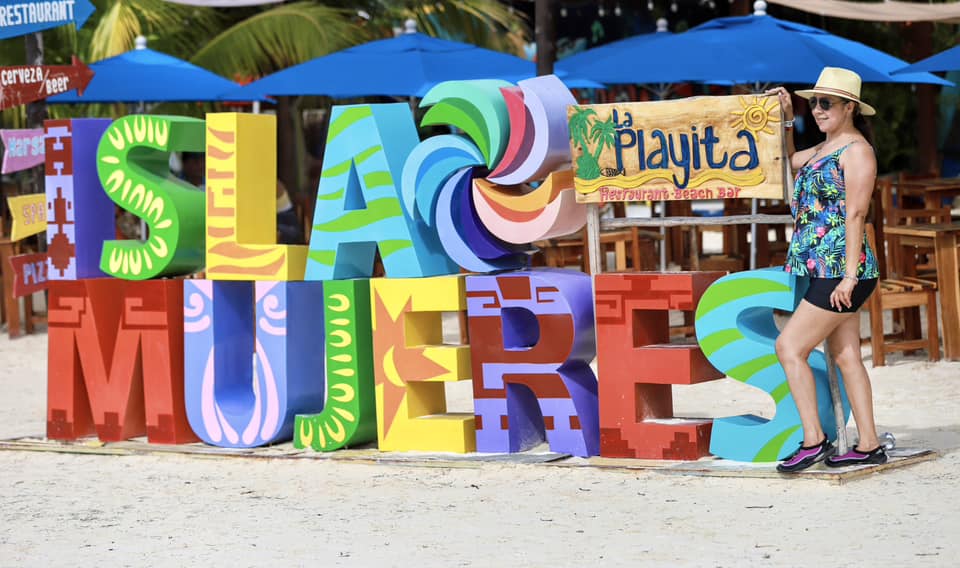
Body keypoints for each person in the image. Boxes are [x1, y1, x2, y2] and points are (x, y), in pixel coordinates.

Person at [767, 67, 885, 473]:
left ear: (850, 107)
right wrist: (787, 118)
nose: (817, 110)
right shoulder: (823, 148)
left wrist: (849, 277)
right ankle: (869, 445)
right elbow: (789, 162)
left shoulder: (857, 151)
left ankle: (814, 440)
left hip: (842, 270)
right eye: (813, 103)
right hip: (825, 269)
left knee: (789, 347)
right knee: (846, 355)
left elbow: (856, 215)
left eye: (826, 103)